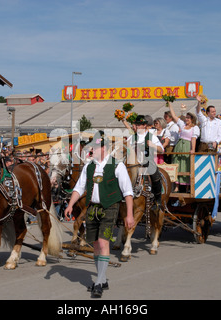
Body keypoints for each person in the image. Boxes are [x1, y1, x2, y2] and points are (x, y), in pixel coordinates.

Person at [64, 131, 134, 298]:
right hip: (92, 208)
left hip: (110, 208)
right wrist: (70, 204)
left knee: (103, 243)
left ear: (104, 148)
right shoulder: (89, 166)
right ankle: (102, 279)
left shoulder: (117, 165)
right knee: (95, 244)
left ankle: (99, 282)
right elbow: (79, 188)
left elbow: (128, 192)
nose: (92, 149)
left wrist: (129, 214)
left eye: (96, 146)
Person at [127, 115, 164, 212]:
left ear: (144, 125)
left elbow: (162, 150)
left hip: (147, 163)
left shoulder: (152, 137)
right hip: (133, 164)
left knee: (155, 175)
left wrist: (152, 145)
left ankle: (157, 201)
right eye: (137, 124)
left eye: (140, 124)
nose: (138, 126)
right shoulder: (131, 137)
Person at [171, 112, 200, 192]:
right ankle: (177, 186)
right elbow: (173, 115)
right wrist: (169, 102)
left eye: (188, 118)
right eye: (186, 117)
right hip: (179, 146)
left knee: (186, 165)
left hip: (187, 146)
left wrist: (192, 149)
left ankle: (187, 187)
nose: (186, 119)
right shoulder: (183, 125)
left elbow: (193, 139)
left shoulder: (195, 128)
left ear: (192, 119)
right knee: (177, 164)